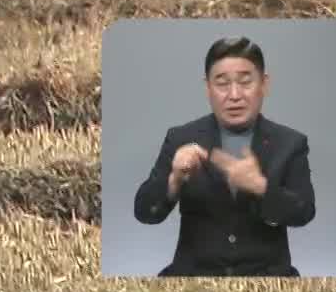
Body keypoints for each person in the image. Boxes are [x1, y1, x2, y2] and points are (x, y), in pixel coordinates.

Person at [132, 36, 316, 276]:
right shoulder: (181, 138)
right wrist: (175, 179)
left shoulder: (290, 143)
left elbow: (303, 212)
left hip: (267, 278)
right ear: (208, 88)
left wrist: (261, 187)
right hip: (194, 277)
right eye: (222, 83)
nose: (234, 95)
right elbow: (145, 212)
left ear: (264, 84)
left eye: (245, 82)